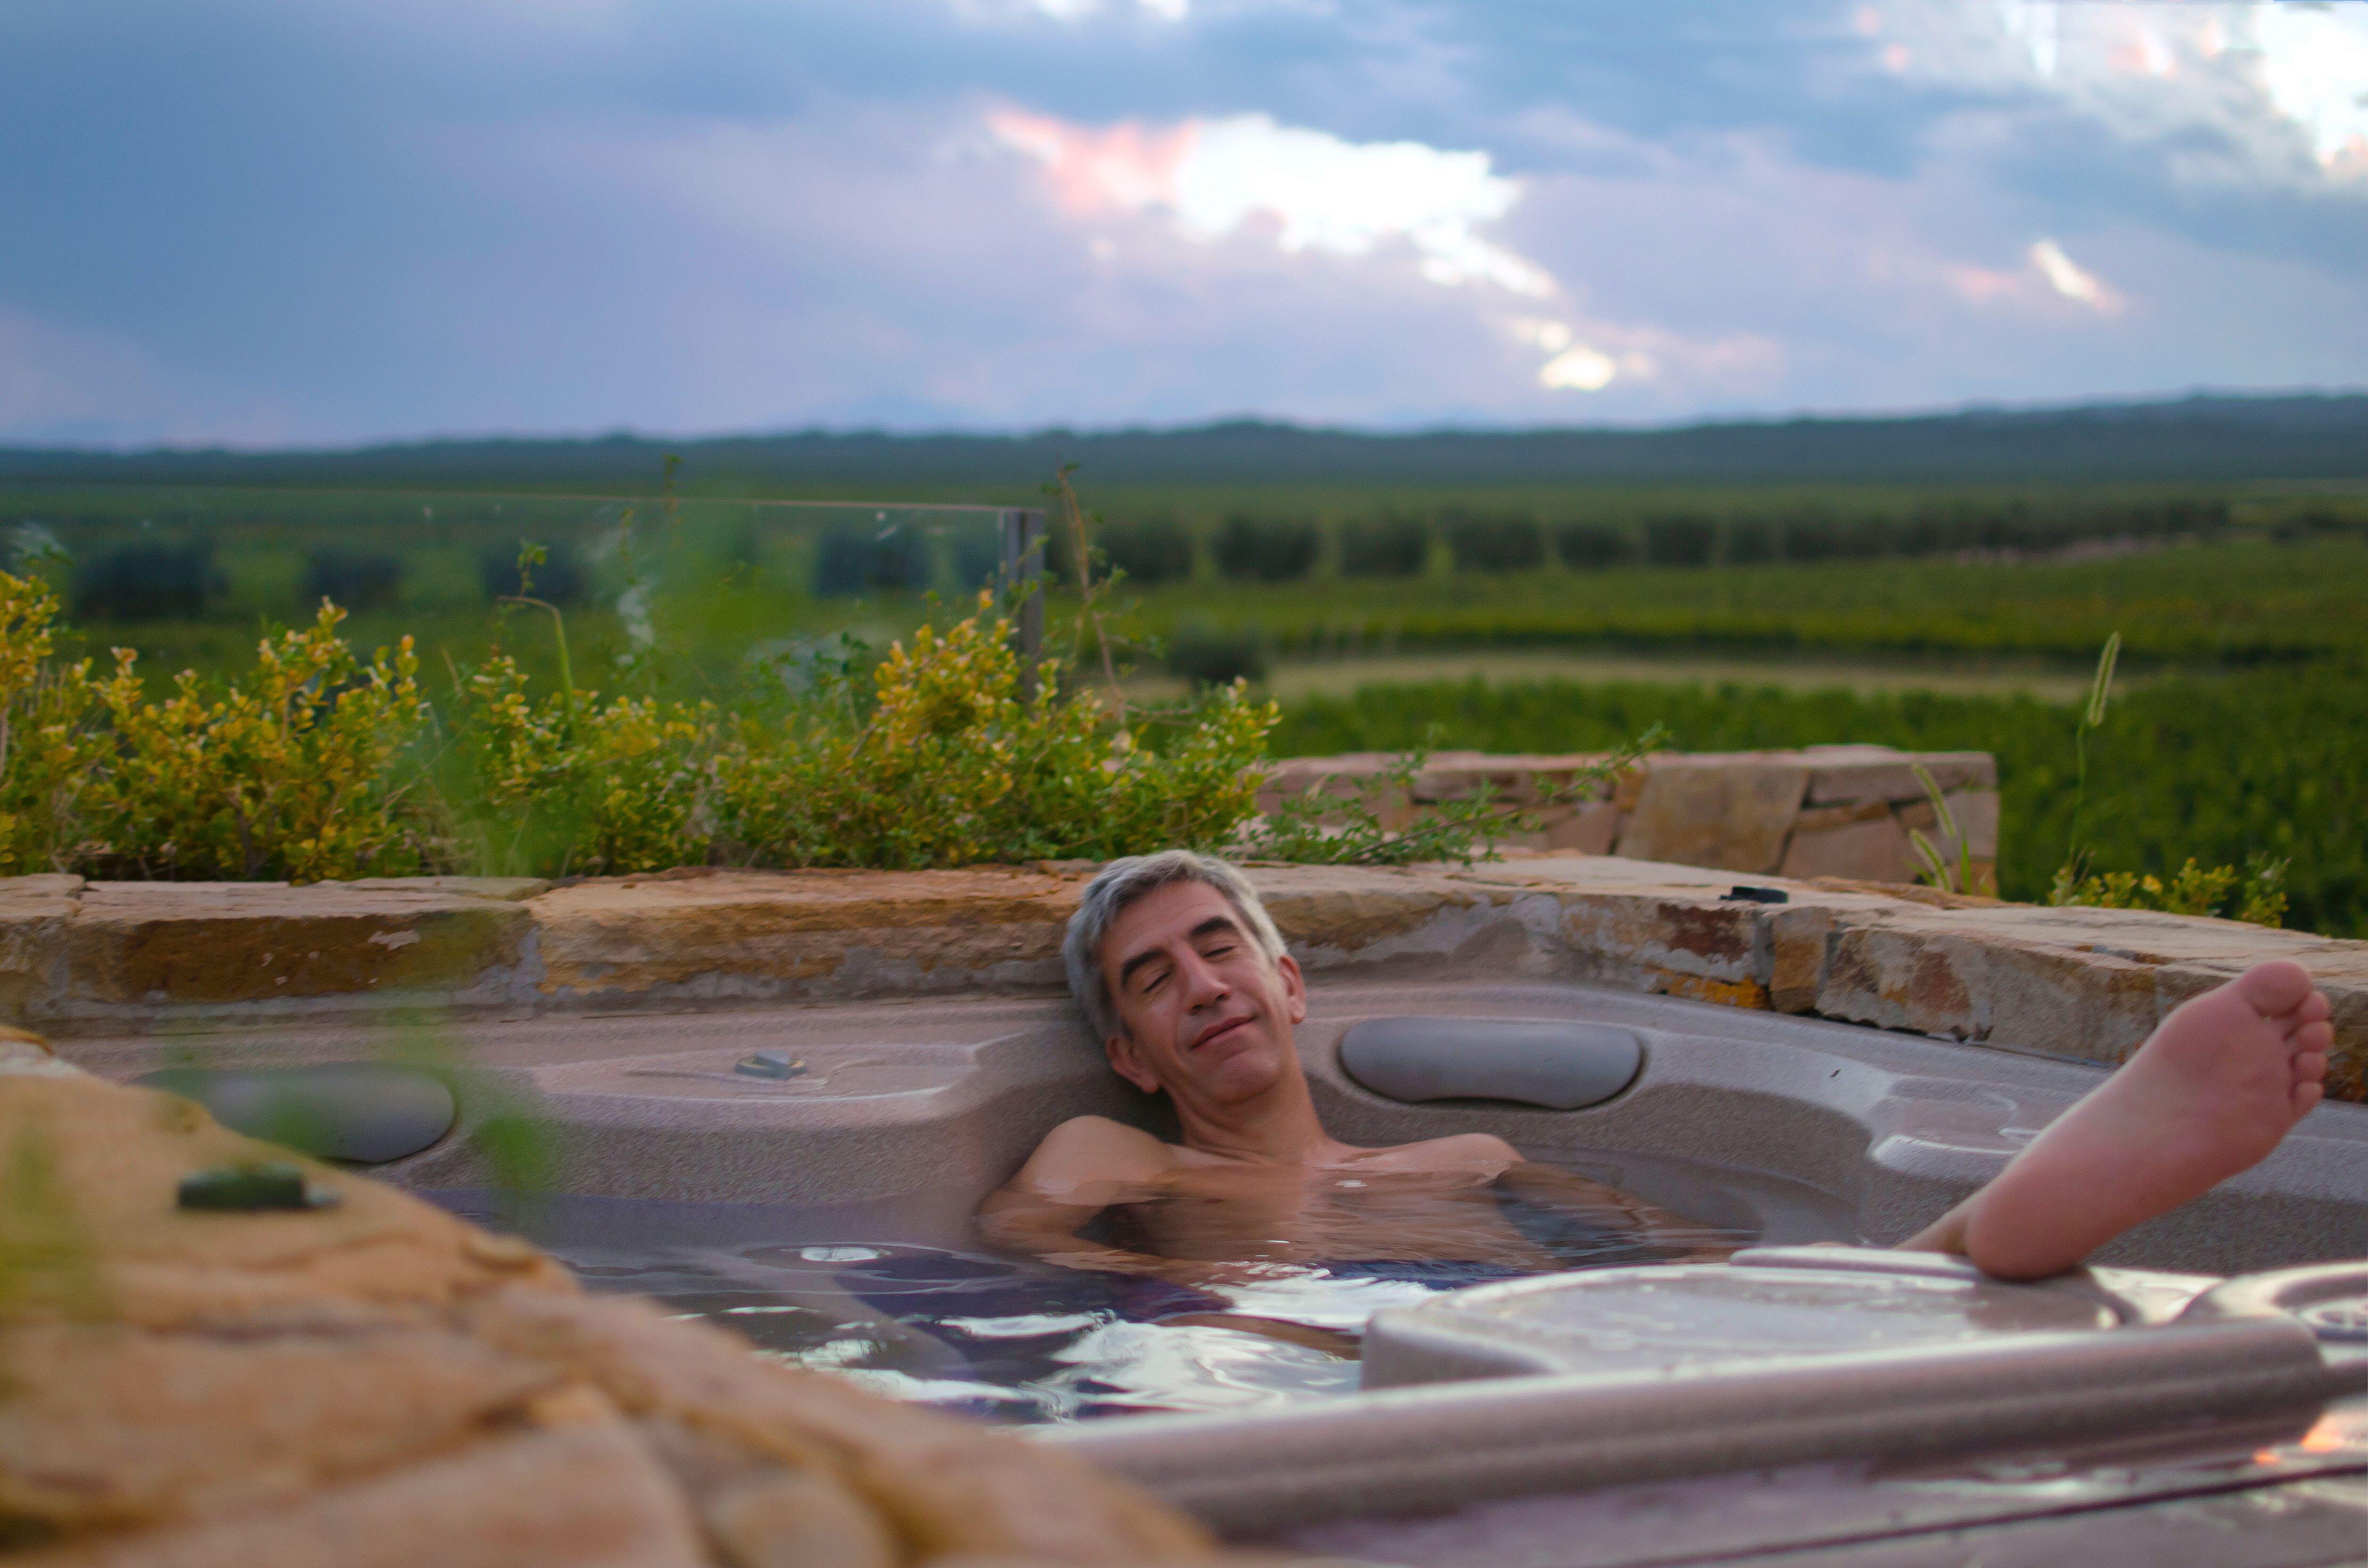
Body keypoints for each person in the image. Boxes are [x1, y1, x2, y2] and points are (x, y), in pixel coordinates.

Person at [980, 851, 2333, 1346]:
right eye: (1150, 981)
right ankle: (1978, 1247)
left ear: (1288, 984)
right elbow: (1027, 1257)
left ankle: (1957, 1257)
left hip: (1517, 1335)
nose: (1200, 985)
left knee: (1776, 1316)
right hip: (1275, 1355)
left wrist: (1766, 1288)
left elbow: (1675, 1263)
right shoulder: (1112, 1151)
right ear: (1134, 1058)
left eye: (1219, 948)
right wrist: (1224, 1306)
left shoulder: (1468, 1157)